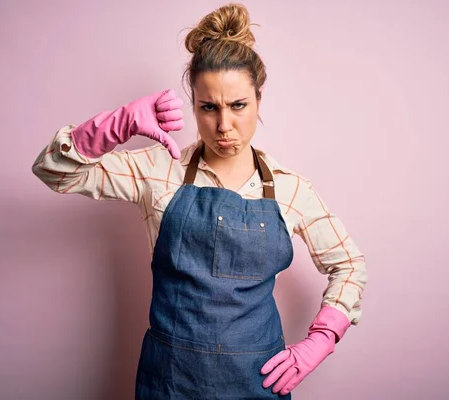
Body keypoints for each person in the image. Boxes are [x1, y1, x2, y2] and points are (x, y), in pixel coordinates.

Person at [32, 3, 367, 399]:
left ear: (259, 99)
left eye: (238, 106)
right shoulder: (158, 170)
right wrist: (113, 125)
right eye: (209, 108)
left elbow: (349, 265)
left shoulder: (290, 189)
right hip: (170, 382)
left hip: (257, 383)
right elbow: (54, 171)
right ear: (194, 105)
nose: (224, 125)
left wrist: (322, 339)